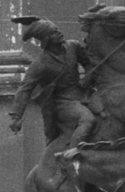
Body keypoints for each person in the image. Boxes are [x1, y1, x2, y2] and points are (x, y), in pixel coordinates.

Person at [9, 19, 97, 148]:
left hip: (84, 93)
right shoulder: (41, 63)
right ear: (46, 39)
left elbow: (89, 64)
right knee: (88, 120)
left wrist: (87, 78)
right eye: (54, 32)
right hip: (64, 103)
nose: (59, 33)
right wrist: (16, 117)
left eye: (57, 29)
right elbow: (25, 89)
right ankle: (71, 158)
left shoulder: (73, 46)